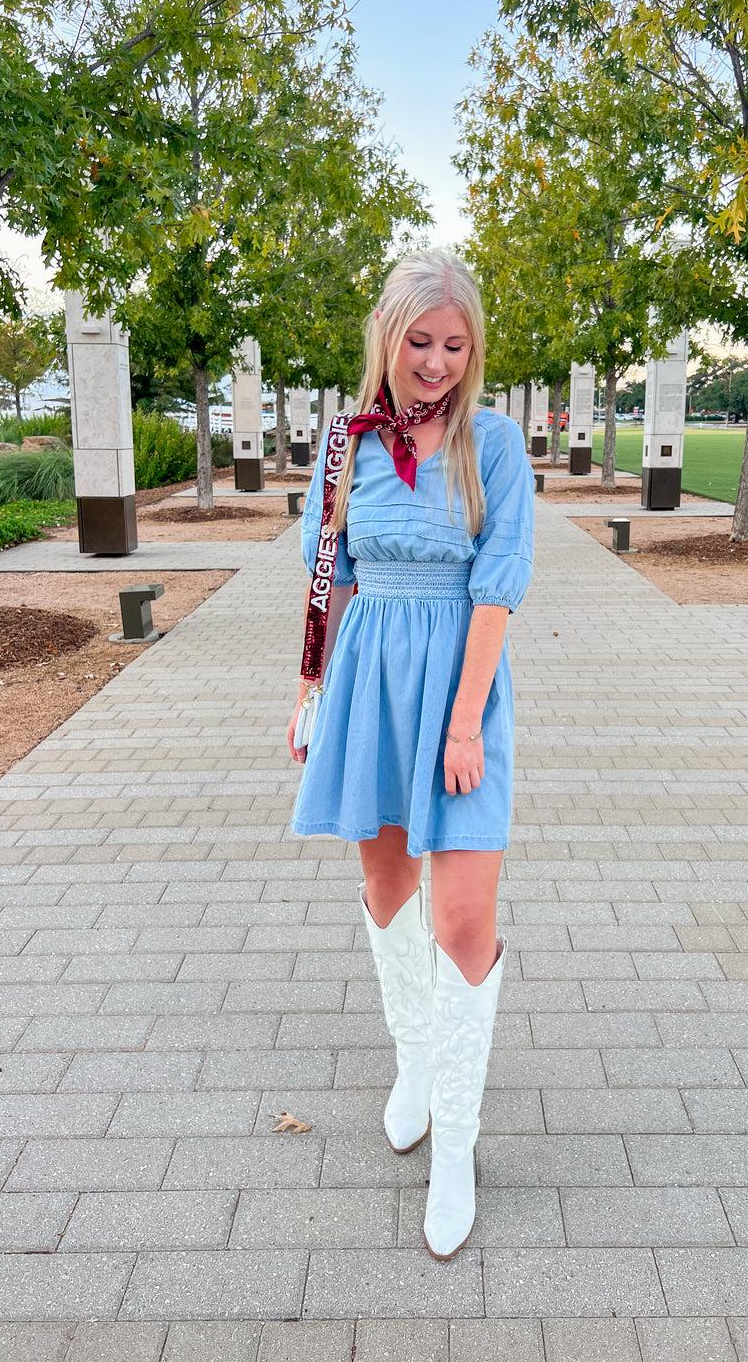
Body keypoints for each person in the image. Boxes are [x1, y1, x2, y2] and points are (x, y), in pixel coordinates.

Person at [287, 248, 534, 1259]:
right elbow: (326, 575)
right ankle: (415, 1066)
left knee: (465, 918)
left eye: (454, 345)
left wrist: (466, 723)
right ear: (386, 337)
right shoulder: (345, 447)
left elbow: (499, 586)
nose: (435, 361)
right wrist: (309, 690)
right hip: (368, 687)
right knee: (388, 894)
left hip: (459, 695)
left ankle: (457, 1153)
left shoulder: (495, 446)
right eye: (419, 340)